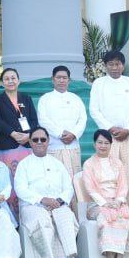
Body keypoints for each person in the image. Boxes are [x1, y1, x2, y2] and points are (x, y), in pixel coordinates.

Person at [13, 127, 78, 258]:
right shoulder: (24, 164)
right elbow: (20, 189)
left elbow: (68, 187)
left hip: (57, 204)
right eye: (35, 140)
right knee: (42, 219)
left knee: (65, 217)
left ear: (48, 141)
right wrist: (42, 200)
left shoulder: (57, 163)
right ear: (30, 142)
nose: (39, 142)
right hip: (33, 206)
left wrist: (59, 201)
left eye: (43, 139)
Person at [89, 51, 129, 206]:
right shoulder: (99, 83)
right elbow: (94, 110)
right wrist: (110, 128)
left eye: (117, 64)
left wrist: (128, 129)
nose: (114, 67)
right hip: (108, 138)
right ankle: (111, 209)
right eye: (111, 64)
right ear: (105, 66)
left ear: (123, 65)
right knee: (110, 174)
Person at [79, 129, 129, 258]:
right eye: (100, 142)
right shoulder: (88, 164)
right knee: (106, 217)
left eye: (106, 143)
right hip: (96, 204)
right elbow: (90, 188)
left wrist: (118, 200)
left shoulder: (118, 163)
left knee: (123, 216)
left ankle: (120, 256)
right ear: (94, 144)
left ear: (111, 145)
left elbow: (123, 185)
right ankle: (110, 256)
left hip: (117, 202)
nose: (103, 146)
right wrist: (105, 203)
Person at [36, 65, 87, 206]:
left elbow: (82, 119)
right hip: (54, 146)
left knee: (74, 181)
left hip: (73, 146)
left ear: (69, 80)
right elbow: (43, 120)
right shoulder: (45, 99)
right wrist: (60, 133)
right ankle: (57, 210)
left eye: (64, 78)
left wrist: (73, 134)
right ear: (53, 79)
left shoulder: (76, 99)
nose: (61, 80)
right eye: (58, 77)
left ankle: (76, 213)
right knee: (56, 180)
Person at [0, 66, 38, 166]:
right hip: (7, 143)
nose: (10, 81)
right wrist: (13, 134)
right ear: (2, 83)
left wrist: (28, 136)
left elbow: (34, 120)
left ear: (19, 81)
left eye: (13, 78)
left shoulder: (26, 98)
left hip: (27, 143)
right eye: (6, 79)